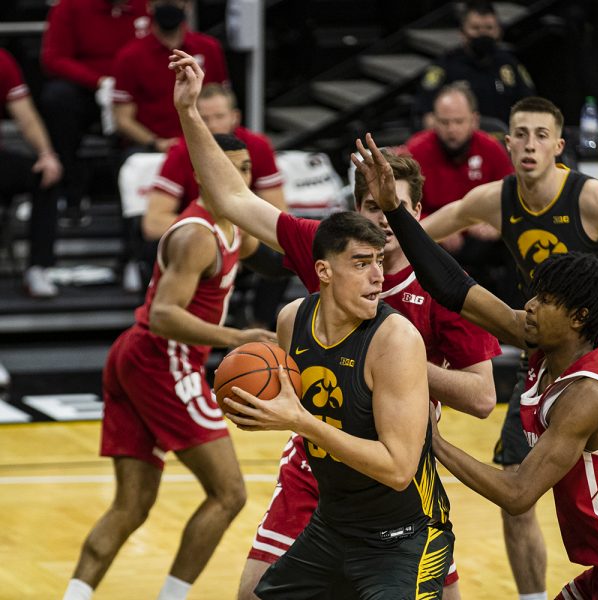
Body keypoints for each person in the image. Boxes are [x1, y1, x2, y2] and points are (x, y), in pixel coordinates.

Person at [352, 135, 598, 598]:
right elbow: (456, 288)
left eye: (547, 301)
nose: (531, 307)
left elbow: (518, 492)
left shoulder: (588, 395)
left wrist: (433, 442)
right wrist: (396, 214)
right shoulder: (541, 340)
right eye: (535, 295)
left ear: (579, 318)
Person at [170, 50, 455, 599]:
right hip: (333, 512)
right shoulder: (295, 310)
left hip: (401, 522)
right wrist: (190, 112)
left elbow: (401, 464)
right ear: (321, 270)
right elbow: (231, 197)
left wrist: (303, 416)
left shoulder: (411, 319)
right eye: (362, 261)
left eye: (380, 260)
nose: (375, 274)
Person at [420, 95, 598, 599]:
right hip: (540, 356)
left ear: (559, 146)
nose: (530, 144)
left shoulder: (593, 199)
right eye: (520, 134)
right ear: (507, 143)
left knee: (593, 484)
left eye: (541, 135)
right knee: (514, 483)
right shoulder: (496, 198)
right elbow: (419, 240)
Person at [235, 152, 501, 600]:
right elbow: (232, 199)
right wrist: (188, 111)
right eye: (374, 206)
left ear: (417, 213)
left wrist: (399, 370)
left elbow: (482, 397)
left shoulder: (442, 284)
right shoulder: (330, 252)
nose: (384, 218)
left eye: (394, 206)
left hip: (397, 475)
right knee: (253, 593)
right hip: (318, 463)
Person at [62, 134, 279, 600]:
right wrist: (237, 338)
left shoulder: (234, 228)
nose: (240, 178)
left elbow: (280, 263)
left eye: (245, 169)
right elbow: (164, 313)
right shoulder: (196, 236)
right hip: (163, 359)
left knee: (132, 504)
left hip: (138, 357)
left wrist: (327, 254)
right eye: (229, 168)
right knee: (229, 493)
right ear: (202, 173)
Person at [144, 82, 286, 328]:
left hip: (238, 233)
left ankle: (259, 329)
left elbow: (280, 217)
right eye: (204, 118)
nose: (212, 126)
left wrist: (232, 236)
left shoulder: (257, 146)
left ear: (235, 117)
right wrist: (219, 236)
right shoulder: (181, 150)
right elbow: (153, 222)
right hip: (204, 239)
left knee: (287, 250)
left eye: (219, 117)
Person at [406, 81, 518, 304]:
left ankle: (515, 317)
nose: (452, 130)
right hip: (435, 243)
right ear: (433, 121)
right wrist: (437, 227)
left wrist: (498, 225)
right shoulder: (415, 151)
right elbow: (404, 209)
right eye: (444, 122)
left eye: (458, 121)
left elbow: (514, 199)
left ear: (474, 120)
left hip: (484, 240)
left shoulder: (491, 150)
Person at [40, 0, 150, 224]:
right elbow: (53, 58)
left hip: (137, 88)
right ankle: (69, 187)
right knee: (58, 98)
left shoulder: (148, 6)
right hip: (89, 90)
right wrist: (98, 81)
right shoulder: (70, 6)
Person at [113, 0, 228, 153]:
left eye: (175, 1)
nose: (169, 6)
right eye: (161, 1)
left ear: (188, 5)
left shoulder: (209, 48)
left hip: (205, 144)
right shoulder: (130, 56)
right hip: (152, 150)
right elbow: (123, 119)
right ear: (149, 5)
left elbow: (224, 103)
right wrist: (158, 143)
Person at [0, 48, 64, 298]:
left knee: (44, 175)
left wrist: (46, 153)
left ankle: (39, 267)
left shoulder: (3, 60)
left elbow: (25, 116)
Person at [414, 1, 535, 129]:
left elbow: (531, 106)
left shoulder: (509, 64)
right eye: (476, 28)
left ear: (499, 32)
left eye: (489, 28)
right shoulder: (445, 66)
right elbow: (426, 117)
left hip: (504, 141)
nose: (483, 34)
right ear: (462, 32)